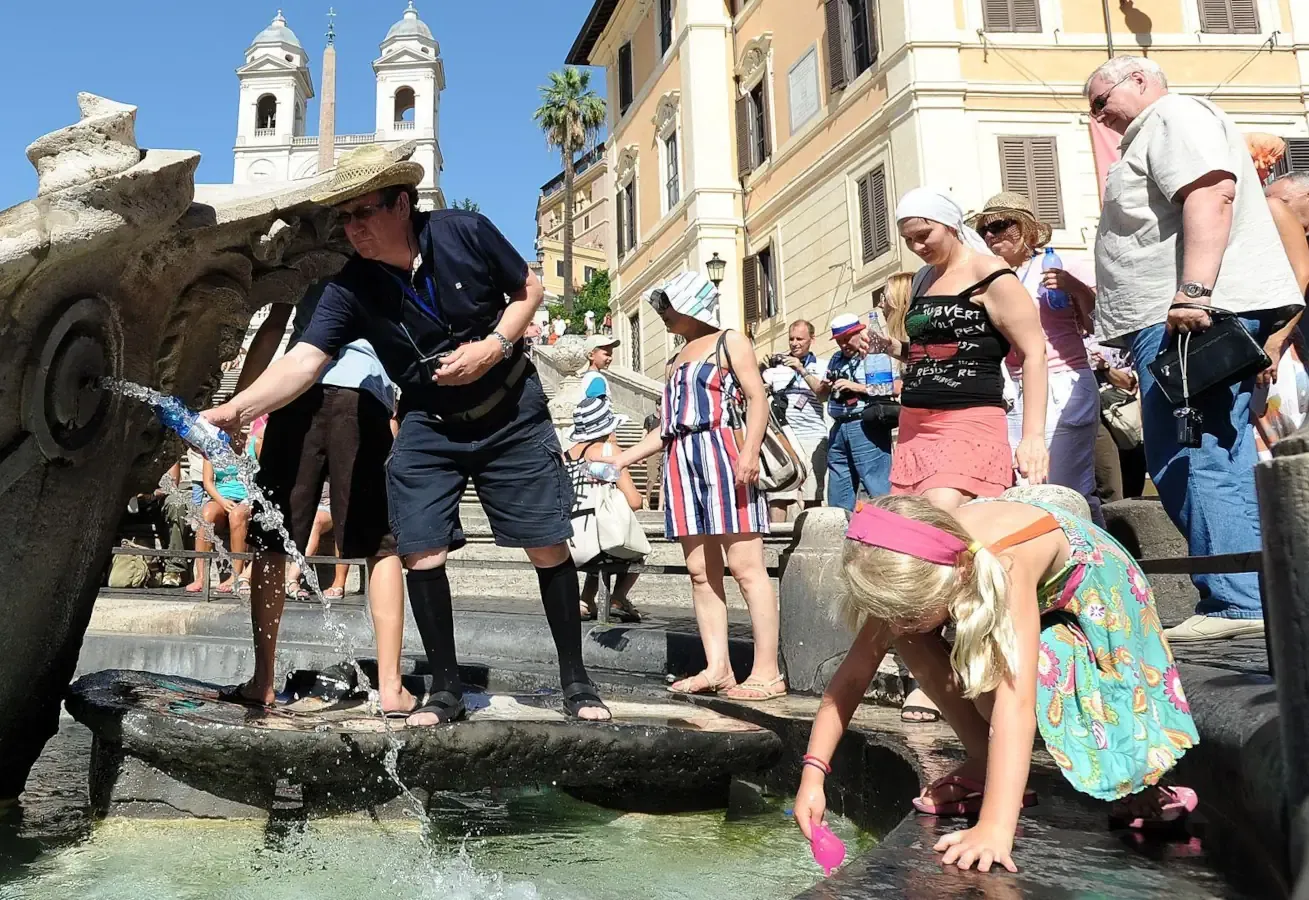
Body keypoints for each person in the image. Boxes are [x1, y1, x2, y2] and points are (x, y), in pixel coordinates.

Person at [205, 144, 609, 723]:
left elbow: (530, 289)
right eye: (344, 217)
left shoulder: (464, 230)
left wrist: (493, 347)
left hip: (510, 409)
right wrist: (235, 410)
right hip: (429, 419)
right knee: (419, 549)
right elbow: (305, 361)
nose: (353, 227)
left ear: (402, 203)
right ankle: (443, 689)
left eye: (363, 212)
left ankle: (577, 682)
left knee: (546, 544)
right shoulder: (350, 286)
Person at [792, 493, 1199, 873]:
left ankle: (1144, 784)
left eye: (911, 612)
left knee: (1057, 680)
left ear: (953, 579)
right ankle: (984, 762)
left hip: (1097, 592)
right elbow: (851, 678)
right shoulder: (914, 559)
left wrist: (995, 828)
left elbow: (1015, 703)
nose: (899, 625)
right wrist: (812, 778)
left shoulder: (1004, 564)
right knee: (910, 636)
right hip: (1016, 589)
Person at [1085, 55, 1304, 642]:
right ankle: (1254, 599)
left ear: (1137, 81)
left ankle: (1239, 604)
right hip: (1189, 319)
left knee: (1194, 456)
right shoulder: (1161, 124)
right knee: (1214, 457)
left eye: (1100, 102)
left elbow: (1212, 196)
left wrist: (1191, 294)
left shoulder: (1171, 115)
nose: (1098, 117)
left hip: (1191, 320)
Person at [612, 271, 785, 701]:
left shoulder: (731, 341)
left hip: (725, 455)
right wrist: (623, 459)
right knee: (700, 574)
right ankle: (717, 667)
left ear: (689, 304)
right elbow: (669, 427)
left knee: (747, 569)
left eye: (668, 306)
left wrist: (749, 453)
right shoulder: (674, 361)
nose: (663, 315)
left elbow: (757, 398)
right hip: (683, 465)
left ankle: (767, 671)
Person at [880, 188, 1050, 508]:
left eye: (924, 235)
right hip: (914, 426)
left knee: (940, 518)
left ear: (950, 225)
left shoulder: (989, 273)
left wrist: (1032, 438)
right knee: (912, 528)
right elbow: (927, 350)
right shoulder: (922, 279)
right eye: (908, 240)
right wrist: (888, 346)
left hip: (968, 419)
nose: (917, 246)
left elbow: (1034, 353)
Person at [969, 193, 1102, 522]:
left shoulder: (1060, 265)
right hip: (1015, 390)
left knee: (1069, 489)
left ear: (1026, 228)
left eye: (1000, 225)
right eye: (985, 229)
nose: (991, 235)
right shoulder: (990, 277)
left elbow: (1095, 324)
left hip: (1063, 381)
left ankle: (1098, 566)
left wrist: (1077, 289)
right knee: (1026, 487)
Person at [565, 395, 642, 622]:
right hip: (599, 546)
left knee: (601, 540)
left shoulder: (564, 456)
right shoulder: (609, 451)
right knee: (635, 552)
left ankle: (586, 601)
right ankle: (618, 598)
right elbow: (634, 501)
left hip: (568, 544)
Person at [811, 314, 895, 510]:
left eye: (847, 339)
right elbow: (822, 395)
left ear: (859, 332)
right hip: (839, 425)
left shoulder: (875, 353)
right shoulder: (836, 359)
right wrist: (827, 385)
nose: (843, 345)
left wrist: (857, 387)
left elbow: (895, 387)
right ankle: (841, 532)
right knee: (839, 486)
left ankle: (887, 530)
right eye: (839, 341)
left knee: (876, 484)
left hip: (865, 425)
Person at [760, 319, 828, 522]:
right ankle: (775, 546)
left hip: (813, 436)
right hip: (782, 437)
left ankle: (813, 541)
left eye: (800, 339)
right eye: (791, 339)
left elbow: (822, 394)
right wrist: (759, 370)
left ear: (812, 340)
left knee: (812, 494)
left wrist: (801, 369)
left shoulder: (823, 366)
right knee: (779, 494)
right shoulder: (775, 369)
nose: (794, 343)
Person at [187, 430, 259, 595]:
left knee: (237, 515)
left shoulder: (253, 443)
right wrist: (222, 501)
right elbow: (208, 482)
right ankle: (201, 576)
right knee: (206, 514)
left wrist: (252, 499)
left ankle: (236, 573)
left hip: (247, 499)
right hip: (221, 497)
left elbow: (265, 474)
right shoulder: (211, 446)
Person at [578, 334, 620, 400]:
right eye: (606, 354)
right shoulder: (597, 379)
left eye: (611, 355)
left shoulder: (587, 377)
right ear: (591, 356)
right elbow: (597, 406)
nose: (610, 358)